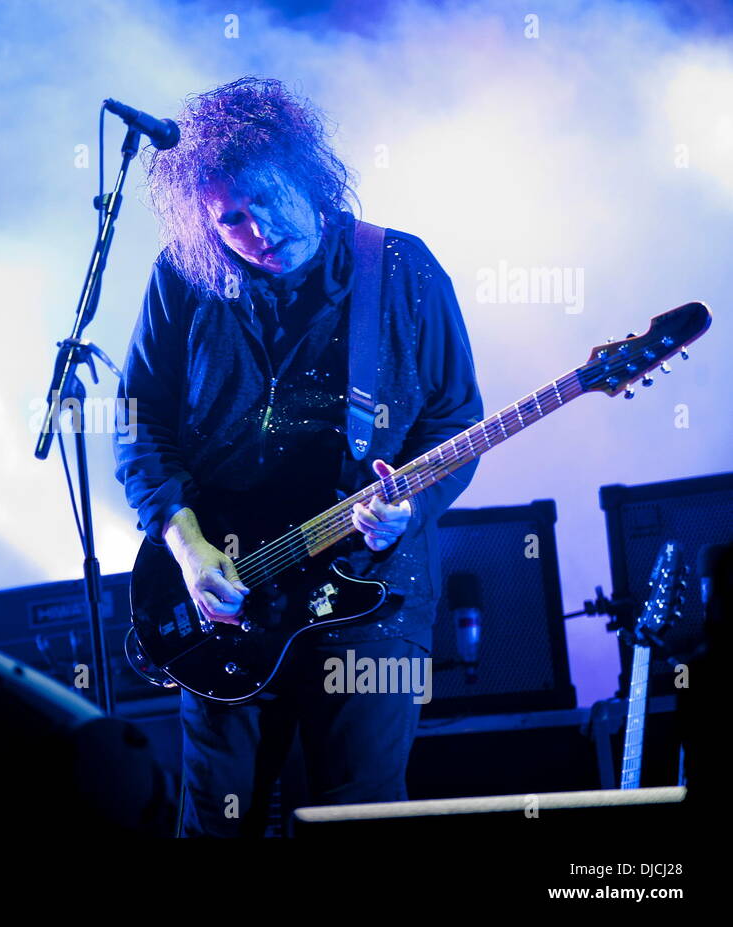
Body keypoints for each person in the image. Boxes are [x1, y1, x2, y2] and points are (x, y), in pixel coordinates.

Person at [114, 77, 483, 836]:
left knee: (359, 814)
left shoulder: (402, 270)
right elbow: (136, 419)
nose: (255, 231)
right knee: (217, 822)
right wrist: (186, 548)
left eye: (268, 199)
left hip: (374, 592)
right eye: (231, 220)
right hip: (225, 590)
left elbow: (455, 419)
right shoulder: (185, 277)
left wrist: (408, 513)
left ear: (308, 175)